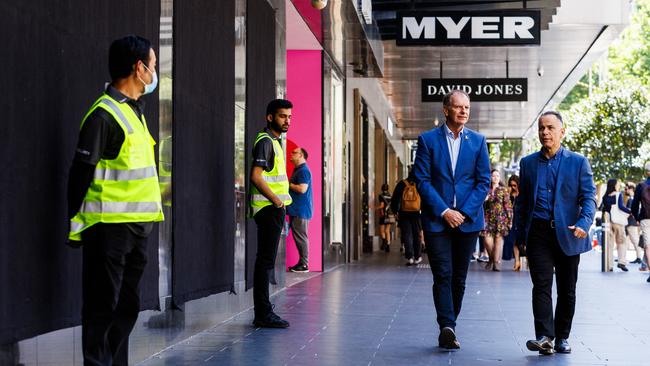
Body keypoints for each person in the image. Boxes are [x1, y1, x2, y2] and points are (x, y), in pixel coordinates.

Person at [67, 35, 165, 366]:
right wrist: (75, 223)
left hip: (136, 229)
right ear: (139, 69)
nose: (155, 72)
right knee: (101, 307)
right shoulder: (104, 115)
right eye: (153, 65)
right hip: (108, 229)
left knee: (127, 306)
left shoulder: (134, 112)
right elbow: (80, 173)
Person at [412, 89, 490, 350]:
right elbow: (422, 180)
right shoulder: (427, 140)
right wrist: (445, 211)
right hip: (437, 221)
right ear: (446, 110)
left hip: (468, 221)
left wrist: (463, 212)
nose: (464, 111)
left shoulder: (478, 141)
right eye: (459, 107)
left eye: (467, 107)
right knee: (442, 274)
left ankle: (449, 323)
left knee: (459, 278)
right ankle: (447, 326)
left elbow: (483, 182)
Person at [515, 111, 596, 355]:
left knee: (567, 288)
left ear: (563, 131)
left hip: (569, 232)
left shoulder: (578, 162)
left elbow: (588, 197)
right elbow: (523, 203)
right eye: (541, 128)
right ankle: (545, 336)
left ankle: (562, 337)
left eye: (550, 128)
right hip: (538, 232)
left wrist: (584, 222)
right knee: (540, 285)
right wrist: (519, 236)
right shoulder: (528, 163)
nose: (545, 132)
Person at [249, 99, 294, 328]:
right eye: (282, 116)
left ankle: (263, 312)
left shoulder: (275, 142)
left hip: (272, 209)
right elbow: (256, 176)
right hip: (268, 209)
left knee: (265, 262)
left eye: (289, 117)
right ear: (270, 117)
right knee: (265, 262)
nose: (287, 120)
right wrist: (277, 201)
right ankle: (262, 313)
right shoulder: (266, 141)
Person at [480, 169, 513, 271]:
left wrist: (510, 220)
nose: (495, 178)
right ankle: (491, 258)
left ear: (499, 178)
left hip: (500, 218)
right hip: (487, 218)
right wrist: (483, 199)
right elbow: (479, 203)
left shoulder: (503, 190)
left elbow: (508, 206)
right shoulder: (486, 189)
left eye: (497, 176)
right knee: (487, 239)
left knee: (498, 240)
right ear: (490, 177)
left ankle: (495, 263)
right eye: (493, 176)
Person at [287, 147, 313, 273]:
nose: (291, 154)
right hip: (296, 210)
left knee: (301, 237)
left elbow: (302, 189)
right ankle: (302, 263)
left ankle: (304, 264)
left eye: (294, 152)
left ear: (301, 155)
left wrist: (288, 185)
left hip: (300, 210)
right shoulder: (298, 170)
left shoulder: (303, 171)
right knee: (300, 237)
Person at [390, 170, 423, 266]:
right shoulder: (420, 183)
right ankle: (417, 256)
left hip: (404, 213)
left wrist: (395, 211)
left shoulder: (402, 184)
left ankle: (410, 257)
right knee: (417, 234)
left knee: (407, 234)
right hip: (417, 213)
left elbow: (395, 198)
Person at [600, 178, 630, 272]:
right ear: (614, 185)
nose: (618, 186)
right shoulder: (618, 195)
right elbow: (621, 207)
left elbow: (602, 208)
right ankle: (621, 262)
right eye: (617, 184)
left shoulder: (605, 197)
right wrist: (630, 211)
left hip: (608, 222)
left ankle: (609, 265)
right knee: (621, 242)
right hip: (618, 222)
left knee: (609, 244)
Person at [631, 162, 650, 282]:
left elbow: (634, 205)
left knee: (648, 246)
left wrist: (637, 218)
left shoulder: (641, 186)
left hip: (645, 218)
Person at [506, 175, 525, 271]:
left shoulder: (523, 194)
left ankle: (528, 261)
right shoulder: (510, 195)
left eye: (515, 185)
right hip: (513, 220)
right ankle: (517, 261)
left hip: (522, 220)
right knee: (514, 241)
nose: (513, 187)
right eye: (511, 185)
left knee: (524, 241)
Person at [624, 182, 644, 267]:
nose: (625, 190)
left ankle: (639, 257)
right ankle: (623, 258)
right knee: (625, 241)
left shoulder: (632, 199)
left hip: (631, 222)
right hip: (629, 223)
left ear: (631, 189)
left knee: (635, 241)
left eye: (626, 188)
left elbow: (632, 211)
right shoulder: (631, 198)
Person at [377, 183, 395, 252]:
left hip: (384, 215)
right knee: (387, 230)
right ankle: (388, 245)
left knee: (382, 231)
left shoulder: (381, 196)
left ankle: (384, 242)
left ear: (382, 188)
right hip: (390, 215)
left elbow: (382, 206)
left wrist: (374, 208)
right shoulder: (390, 196)